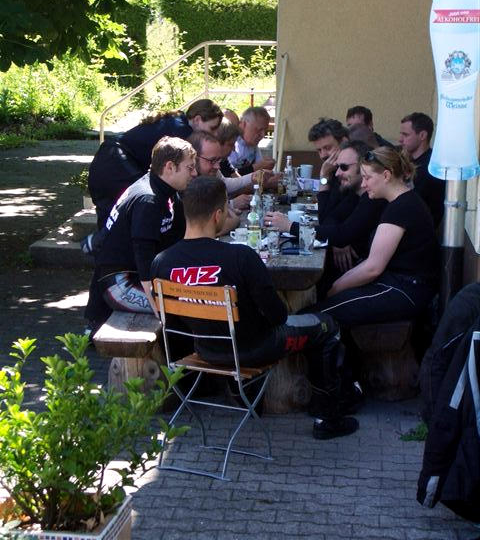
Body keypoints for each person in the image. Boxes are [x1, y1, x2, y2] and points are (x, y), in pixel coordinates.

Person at [151, 176, 360, 440]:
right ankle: (328, 416)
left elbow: (173, 320)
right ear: (218, 215)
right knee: (327, 325)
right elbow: (278, 316)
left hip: (204, 350)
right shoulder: (241, 257)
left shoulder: (162, 262)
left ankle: (245, 394)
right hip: (256, 349)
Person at [316, 147, 439, 327]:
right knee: (322, 302)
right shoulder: (401, 202)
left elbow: (373, 268)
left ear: (386, 175)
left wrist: (335, 289)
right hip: (399, 285)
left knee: (317, 316)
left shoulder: (401, 207)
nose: (363, 184)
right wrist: (335, 286)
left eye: (367, 177)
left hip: (404, 291)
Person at [84, 136, 197, 331]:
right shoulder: (148, 200)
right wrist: (157, 304)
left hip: (137, 277)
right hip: (121, 284)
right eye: (190, 168)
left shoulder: (166, 190)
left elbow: (181, 236)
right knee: (185, 307)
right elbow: (143, 257)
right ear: (170, 167)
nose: (195, 173)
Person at [88, 99, 222, 228]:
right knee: (144, 203)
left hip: (109, 158)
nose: (215, 134)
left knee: (113, 217)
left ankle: (101, 240)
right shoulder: (182, 132)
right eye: (213, 128)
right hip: (116, 163)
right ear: (197, 120)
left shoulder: (177, 120)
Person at [265, 141, 387, 280]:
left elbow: (342, 233)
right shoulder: (354, 193)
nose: (337, 173)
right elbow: (327, 218)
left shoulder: (373, 198)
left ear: (363, 167)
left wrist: (290, 226)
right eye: (337, 167)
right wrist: (324, 176)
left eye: (344, 167)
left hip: (360, 273)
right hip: (345, 267)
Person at [398, 112, 445, 227]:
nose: (400, 139)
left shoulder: (430, 168)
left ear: (422, 135)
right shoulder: (412, 160)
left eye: (405, 135)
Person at [307, 118, 349, 222]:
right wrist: (324, 177)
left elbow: (326, 220)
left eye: (328, 148)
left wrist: (324, 175)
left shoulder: (350, 172)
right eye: (319, 150)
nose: (323, 155)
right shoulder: (332, 169)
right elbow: (323, 216)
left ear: (344, 142)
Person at [228, 106, 275, 175]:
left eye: (265, 130)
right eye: (259, 130)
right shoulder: (229, 143)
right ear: (243, 124)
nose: (263, 135)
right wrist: (257, 167)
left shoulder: (252, 144)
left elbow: (259, 174)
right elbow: (229, 176)